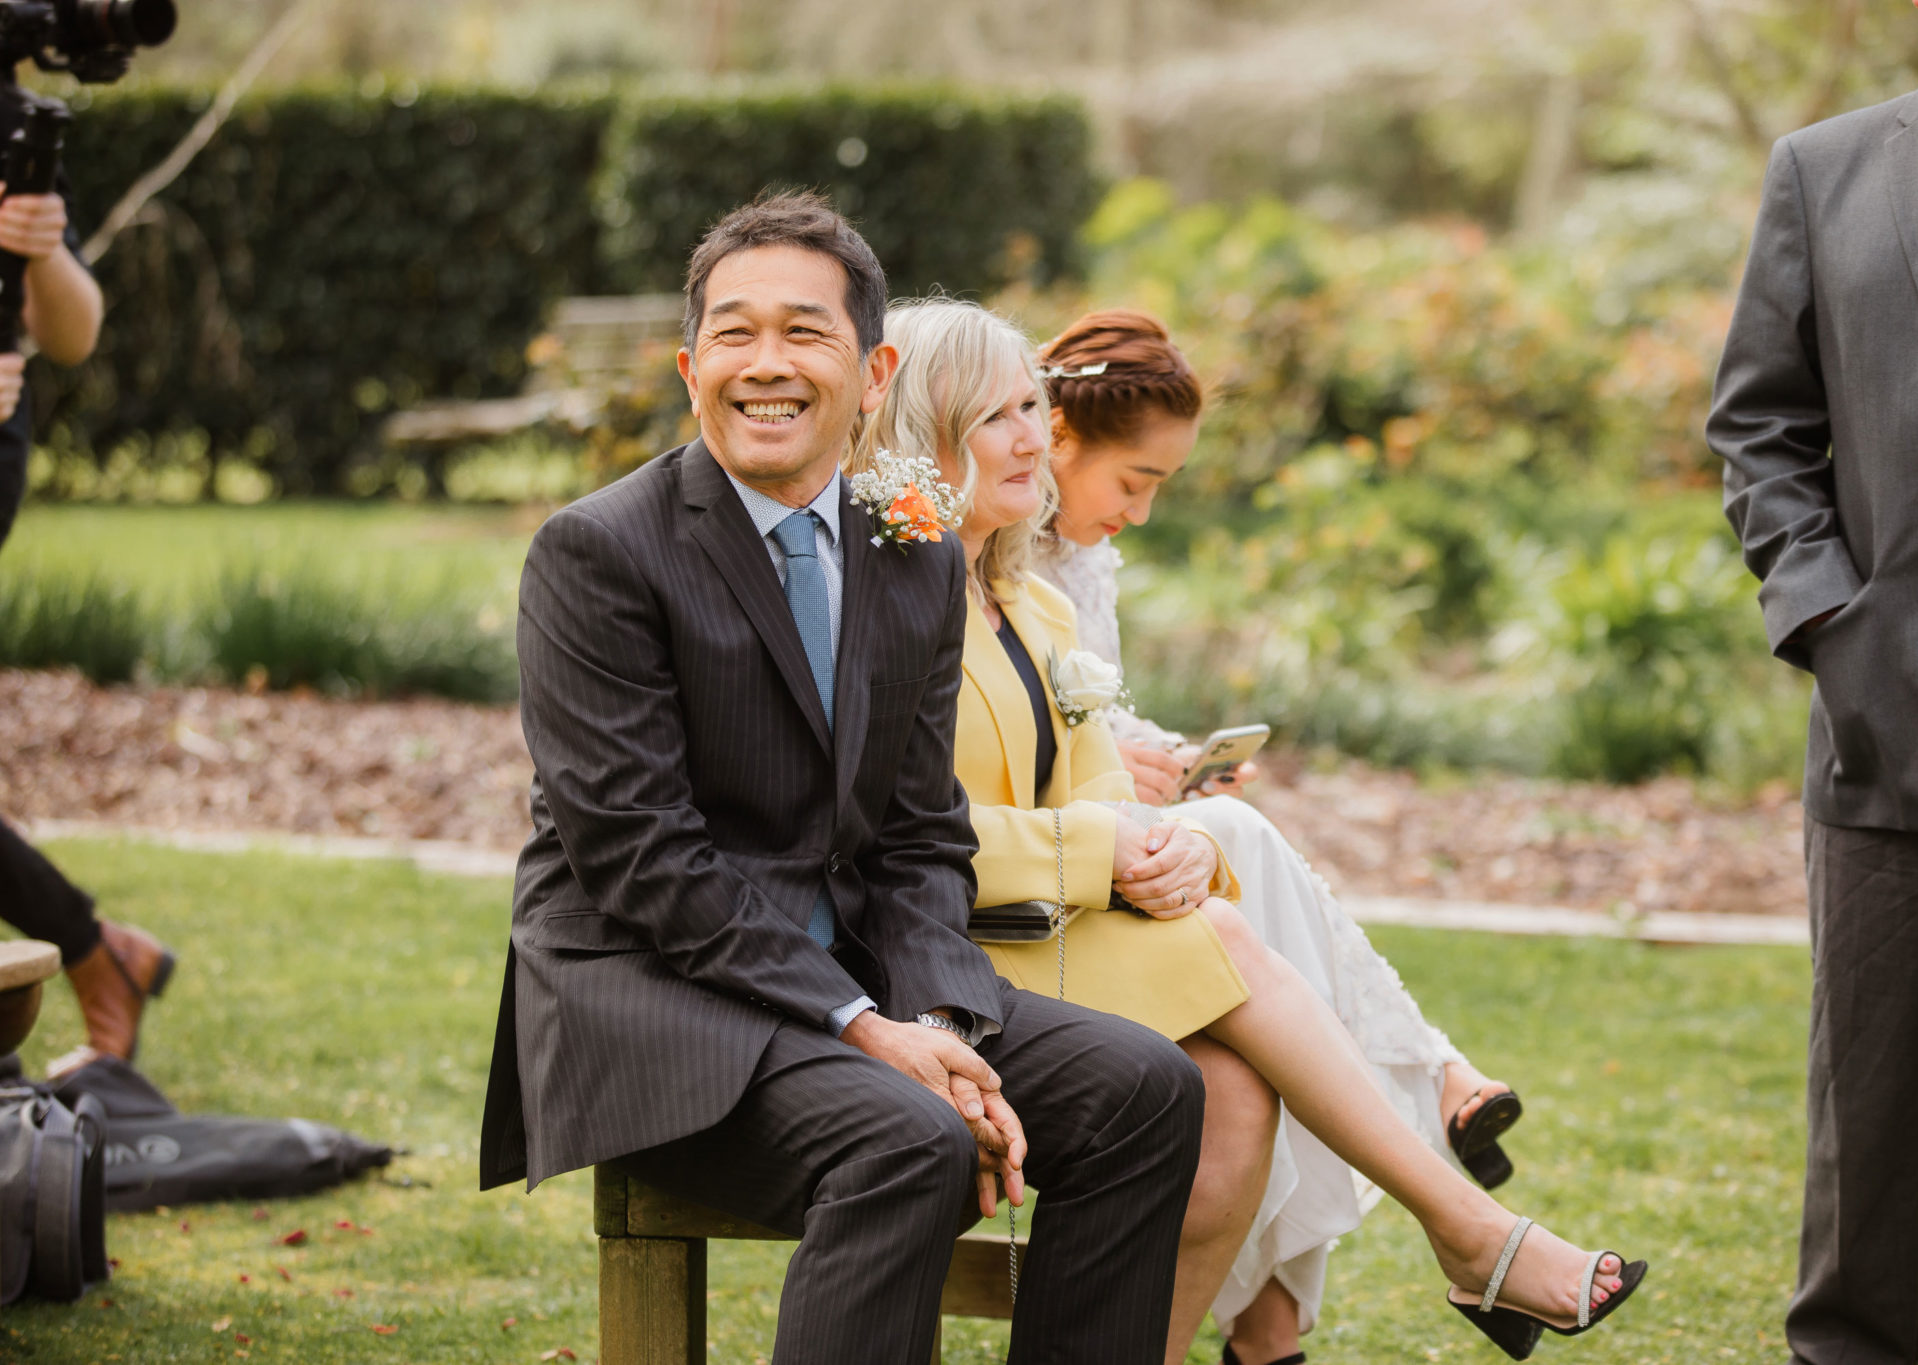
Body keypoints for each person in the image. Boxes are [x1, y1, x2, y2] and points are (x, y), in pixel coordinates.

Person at [477, 192, 1210, 1363]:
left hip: (860, 985)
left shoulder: (912, 549)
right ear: (687, 365)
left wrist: (934, 1020)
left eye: (803, 332)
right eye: (733, 333)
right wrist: (865, 1027)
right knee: (906, 1139)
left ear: (872, 373)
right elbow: (640, 858)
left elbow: (921, 837)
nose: (764, 365)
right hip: (658, 1001)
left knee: (1145, 1090)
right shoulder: (599, 552)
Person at [859, 296, 1647, 1363]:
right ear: (924, 427)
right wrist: (1106, 850)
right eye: (999, 415)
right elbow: (890, 835)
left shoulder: (1035, 608)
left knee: (1228, 1102)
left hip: (1046, 929)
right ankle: (1469, 1233)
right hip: (936, 951)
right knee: (1232, 939)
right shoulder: (870, 606)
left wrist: (1159, 841)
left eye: (1033, 410)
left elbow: (1091, 781)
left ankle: (1276, 1314)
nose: (1035, 438)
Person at [1033, 308, 1520, 1365]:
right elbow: (1024, 747)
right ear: (1056, 437)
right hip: (1039, 894)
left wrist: (1157, 753)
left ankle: (1273, 1318)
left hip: (1113, 848)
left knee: (1247, 909)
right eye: (1133, 482)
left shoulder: (1082, 561)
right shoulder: (970, 553)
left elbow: (1094, 714)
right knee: (1237, 846)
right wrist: (1134, 773)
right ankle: (1420, 1084)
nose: (1141, 513)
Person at [1711, 3, 1918, 1361]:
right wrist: (1826, 619)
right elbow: (1760, 421)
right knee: (1862, 1142)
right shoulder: (1818, 169)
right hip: (1877, 729)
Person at [0, 118, 174, 1067]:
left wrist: (34, 247)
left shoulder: (9, 125)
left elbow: (70, 329)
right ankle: (94, 948)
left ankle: (90, 947)